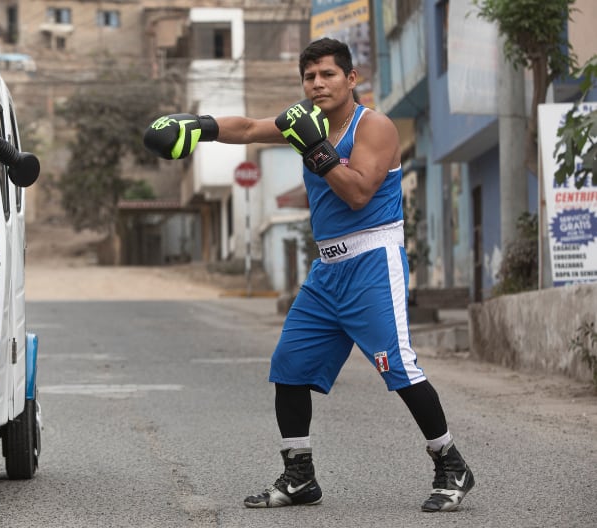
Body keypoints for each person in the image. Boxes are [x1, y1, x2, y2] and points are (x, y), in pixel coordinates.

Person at [142, 37, 474, 513]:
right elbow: (253, 127)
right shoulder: (304, 122)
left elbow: (358, 194)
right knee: (290, 367)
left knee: (399, 367)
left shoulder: (373, 127)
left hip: (372, 261)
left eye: (328, 74)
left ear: (350, 78)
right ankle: (299, 476)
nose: (317, 84)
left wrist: (316, 148)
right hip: (328, 270)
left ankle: (451, 465)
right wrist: (201, 126)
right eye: (310, 76)